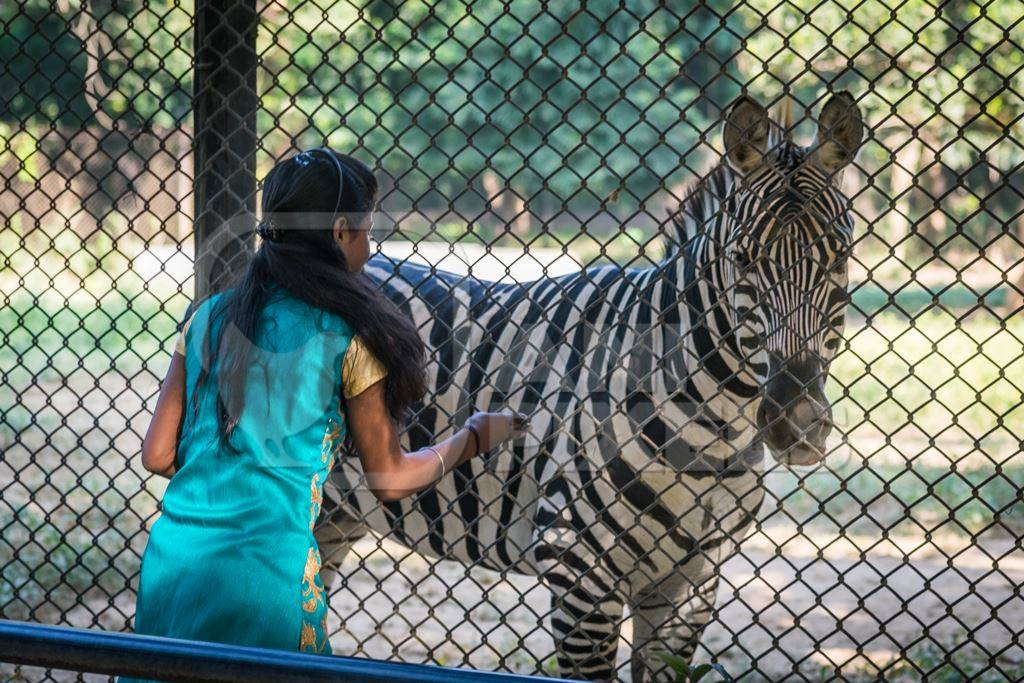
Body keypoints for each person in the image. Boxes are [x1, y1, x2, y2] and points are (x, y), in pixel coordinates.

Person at [124, 147, 526, 676]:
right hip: (267, 578)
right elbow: (388, 477)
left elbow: (157, 455)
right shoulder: (347, 338)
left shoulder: (208, 317)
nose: (370, 242)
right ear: (340, 231)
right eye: (365, 229)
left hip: (173, 565)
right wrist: (472, 436)